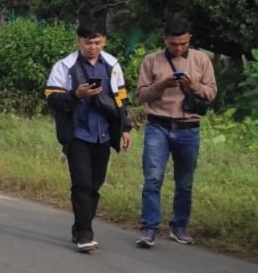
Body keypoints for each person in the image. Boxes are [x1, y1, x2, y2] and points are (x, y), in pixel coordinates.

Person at [45, 21, 132, 253]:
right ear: (78, 41)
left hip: (103, 134)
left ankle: (80, 225)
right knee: (81, 182)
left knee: (95, 184)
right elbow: (52, 98)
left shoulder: (112, 64)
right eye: (88, 42)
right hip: (77, 132)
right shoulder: (65, 66)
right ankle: (85, 233)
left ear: (104, 41)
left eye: (97, 42)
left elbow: (121, 98)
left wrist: (125, 128)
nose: (93, 47)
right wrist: (76, 94)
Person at [135, 15, 217, 248]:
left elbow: (211, 93)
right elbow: (141, 95)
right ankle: (148, 229)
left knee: (185, 182)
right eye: (173, 44)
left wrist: (193, 86)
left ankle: (179, 227)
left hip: (188, 128)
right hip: (158, 125)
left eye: (183, 43)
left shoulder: (202, 60)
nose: (178, 48)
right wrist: (162, 85)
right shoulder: (152, 60)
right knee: (152, 179)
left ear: (189, 38)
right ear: (165, 40)